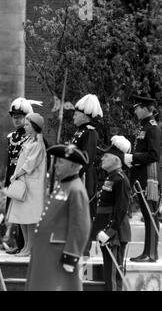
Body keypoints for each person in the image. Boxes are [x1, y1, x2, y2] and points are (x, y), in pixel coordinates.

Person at [26, 144, 91, 291]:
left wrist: (71, 254)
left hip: (58, 254)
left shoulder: (76, 189)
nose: (56, 166)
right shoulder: (63, 186)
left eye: (60, 162)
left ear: (73, 165)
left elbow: (81, 226)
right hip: (46, 251)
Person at [125, 94, 162, 262]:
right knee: (147, 215)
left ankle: (151, 253)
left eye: (137, 107)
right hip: (142, 177)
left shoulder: (152, 128)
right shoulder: (144, 127)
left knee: (150, 215)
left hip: (149, 179)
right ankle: (147, 251)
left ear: (146, 108)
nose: (135, 110)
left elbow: (154, 154)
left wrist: (133, 158)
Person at [93, 136, 132, 291]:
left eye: (106, 156)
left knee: (113, 275)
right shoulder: (112, 177)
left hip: (114, 233)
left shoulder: (121, 179)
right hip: (107, 232)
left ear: (116, 160)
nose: (102, 158)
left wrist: (109, 232)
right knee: (110, 273)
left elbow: (121, 210)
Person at [4, 97, 42, 254]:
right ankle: (20, 244)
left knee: (26, 213)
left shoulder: (32, 137)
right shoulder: (11, 137)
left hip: (26, 177)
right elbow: (9, 160)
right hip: (14, 175)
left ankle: (26, 246)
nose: (16, 120)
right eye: (14, 117)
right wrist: (8, 179)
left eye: (19, 117)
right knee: (16, 213)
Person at [71, 94, 103, 256]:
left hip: (83, 178)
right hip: (75, 176)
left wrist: (74, 174)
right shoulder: (80, 132)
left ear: (84, 115)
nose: (74, 116)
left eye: (76, 114)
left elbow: (87, 159)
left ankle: (85, 248)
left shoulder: (89, 133)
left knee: (85, 214)